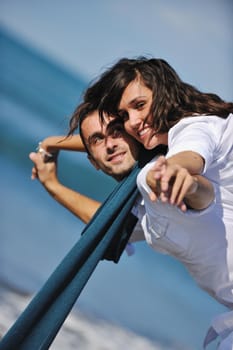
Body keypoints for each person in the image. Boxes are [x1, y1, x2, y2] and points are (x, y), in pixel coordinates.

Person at [31, 102, 229, 348]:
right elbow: (109, 229)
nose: (110, 143)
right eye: (97, 140)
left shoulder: (165, 169)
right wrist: (52, 179)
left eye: (117, 131)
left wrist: (185, 183)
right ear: (92, 161)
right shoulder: (142, 203)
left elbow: (199, 191)